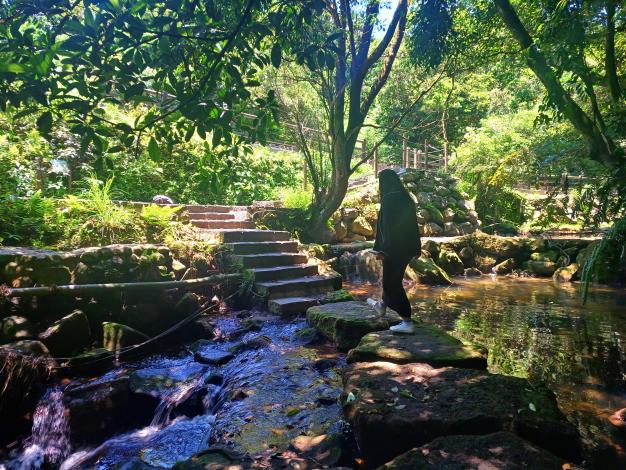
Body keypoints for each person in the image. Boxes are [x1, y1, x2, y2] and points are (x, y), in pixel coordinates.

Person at [368, 169, 421, 334]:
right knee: (392, 279)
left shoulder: (389, 199)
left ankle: (407, 321)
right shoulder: (406, 198)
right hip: (407, 248)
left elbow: (388, 229)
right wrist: (416, 248)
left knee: (392, 284)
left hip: (394, 249)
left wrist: (383, 250)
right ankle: (382, 305)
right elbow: (413, 227)